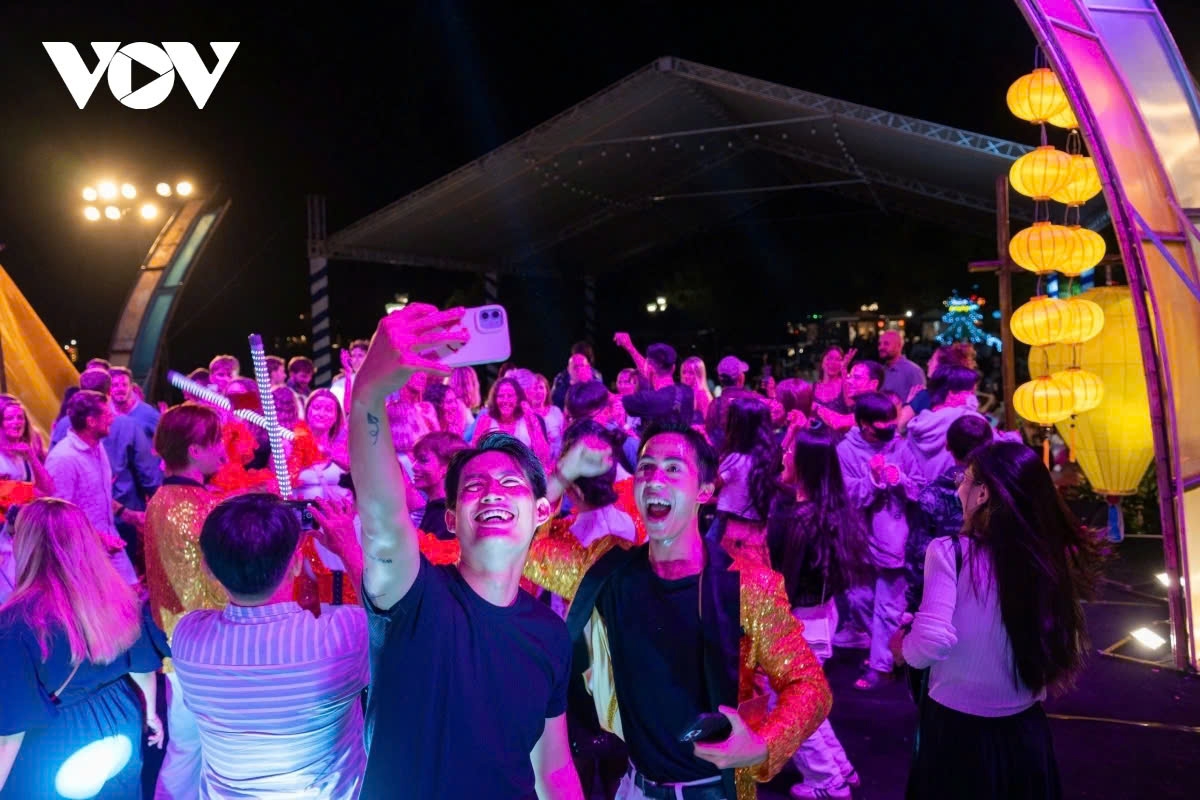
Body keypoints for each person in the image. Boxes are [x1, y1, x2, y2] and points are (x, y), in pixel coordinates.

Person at [524, 421, 833, 800]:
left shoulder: (747, 587)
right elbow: (521, 548)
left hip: (713, 792)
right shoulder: (608, 571)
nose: (655, 479)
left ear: (704, 491)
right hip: (635, 788)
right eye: (646, 468)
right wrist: (561, 475)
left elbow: (809, 685)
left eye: (673, 468)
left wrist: (763, 745)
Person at [351, 303, 584, 799]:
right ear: (451, 518)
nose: (494, 492)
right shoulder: (413, 599)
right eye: (474, 487)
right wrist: (368, 395)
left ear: (541, 512)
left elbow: (554, 768)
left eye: (510, 484)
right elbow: (384, 522)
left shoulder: (550, 633)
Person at [893, 442, 1102, 799]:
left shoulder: (949, 552)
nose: (958, 487)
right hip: (1024, 728)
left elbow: (931, 641)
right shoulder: (1047, 554)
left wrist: (902, 647)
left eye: (965, 479)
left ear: (983, 494)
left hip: (957, 728)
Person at [171, 493, 369, 798]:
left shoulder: (188, 638)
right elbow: (389, 619)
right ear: (296, 564)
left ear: (207, 569)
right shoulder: (342, 638)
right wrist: (348, 549)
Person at [0, 498, 168, 798]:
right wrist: (151, 714)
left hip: (59, 737)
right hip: (121, 721)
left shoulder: (15, 622)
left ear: (26, 546)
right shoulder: (118, 596)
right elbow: (142, 667)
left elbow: (10, 731)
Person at [767, 423, 869, 799]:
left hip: (799, 622)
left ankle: (827, 781)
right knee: (806, 699)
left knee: (787, 706)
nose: (784, 456)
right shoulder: (829, 509)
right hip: (822, 617)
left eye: (790, 452)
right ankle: (840, 768)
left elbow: (787, 584)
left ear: (804, 464)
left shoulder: (799, 519)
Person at [44, 390, 140, 586]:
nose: (113, 418)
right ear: (91, 422)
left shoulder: (97, 447)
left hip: (108, 543)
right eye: (107, 414)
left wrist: (126, 513)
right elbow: (57, 517)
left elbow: (95, 496)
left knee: (132, 593)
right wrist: (98, 538)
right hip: (80, 554)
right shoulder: (63, 459)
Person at [409, 431, 470, 540]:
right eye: (415, 460)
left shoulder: (447, 517)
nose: (414, 467)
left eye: (423, 460)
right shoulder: (437, 506)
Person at [704, 356, 764, 451]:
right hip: (753, 457)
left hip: (724, 458)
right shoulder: (756, 399)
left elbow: (710, 436)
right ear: (740, 377)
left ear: (720, 378)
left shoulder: (715, 405)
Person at [877, 330, 925, 405]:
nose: (881, 347)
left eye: (886, 344)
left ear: (899, 346)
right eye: (879, 344)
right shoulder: (880, 370)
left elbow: (921, 402)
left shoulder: (913, 370)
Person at [681, 356, 714, 424]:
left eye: (691, 373)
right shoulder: (686, 393)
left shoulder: (701, 395)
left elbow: (705, 423)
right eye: (684, 372)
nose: (686, 376)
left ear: (699, 375)